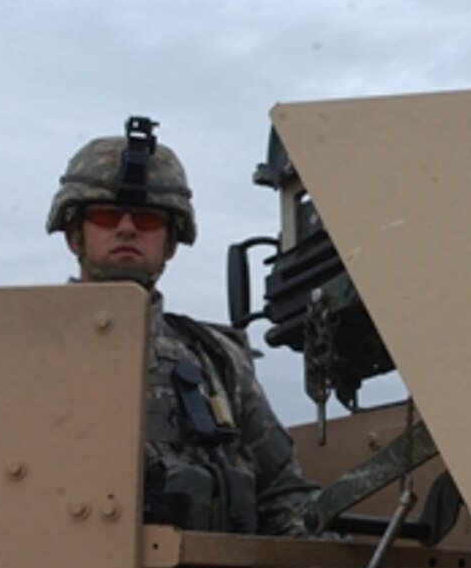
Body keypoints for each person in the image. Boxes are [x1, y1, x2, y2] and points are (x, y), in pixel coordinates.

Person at [46, 116, 319, 537]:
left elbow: (284, 493)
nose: (127, 228)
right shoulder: (17, 346)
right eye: (105, 216)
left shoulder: (216, 361)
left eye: (149, 220)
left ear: (171, 242)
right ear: (73, 235)